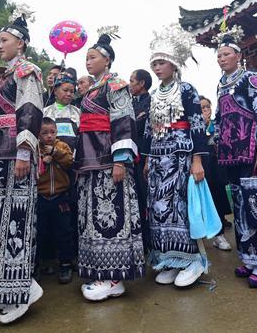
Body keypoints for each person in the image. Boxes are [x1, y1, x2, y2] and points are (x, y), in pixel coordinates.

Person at [0, 6, 45, 324]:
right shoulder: (5, 77)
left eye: (4, 40)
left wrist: (25, 154)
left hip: (16, 156)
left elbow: (29, 111)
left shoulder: (28, 71)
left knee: (14, 222)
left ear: (21, 43)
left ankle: (21, 291)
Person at [74, 26, 145, 301]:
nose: (88, 61)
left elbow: (124, 122)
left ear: (107, 61)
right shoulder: (92, 89)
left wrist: (120, 161)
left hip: (108, 160)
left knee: (112, 214)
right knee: (93, 217)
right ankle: (100, 271)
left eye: (93, 57)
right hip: (90, 161)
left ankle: (114, 277)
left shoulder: (115, 85)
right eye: (87, 57)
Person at [143, 24, 211, 288]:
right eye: (154, 64)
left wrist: (197, 160)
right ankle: (170, 259)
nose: (157, 68)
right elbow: (149, 129)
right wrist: (148, 159)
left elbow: (197, 125)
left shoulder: (187, 90)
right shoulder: (152, 94)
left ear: (173, 64)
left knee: (181, 206)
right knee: (159, 209)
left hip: (181, 156)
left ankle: (192, 260)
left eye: (161, 63)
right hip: (158, 158)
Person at [211, 25, 257, 288]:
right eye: (218, 56)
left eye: (226, 54)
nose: (221, 59)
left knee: (253, 205)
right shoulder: (221, 84)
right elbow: (218, 117)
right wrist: (216, 139)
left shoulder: (251, 78)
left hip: (250, 150)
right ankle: (248, 257)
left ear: (238, 56)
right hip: (229, 154)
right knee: (238, 206)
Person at [36, 117, 75, 284]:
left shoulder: (61, 146)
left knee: (64, 231)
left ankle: (66, 264)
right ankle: (38, 265)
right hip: (41, 197)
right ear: (38, 134)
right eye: (44, 133)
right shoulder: (34, 148)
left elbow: (69, 161)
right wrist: (41, 160)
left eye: (52, 132)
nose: (49, 136)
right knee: (39, 233)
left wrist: (54, 152)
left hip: (60, 196)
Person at [200, 95, 232, 251]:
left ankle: (219, 236)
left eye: (207, 107)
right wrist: (202, 126)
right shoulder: (194, 127)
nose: (206, 110)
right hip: (199, 169)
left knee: (217, 199)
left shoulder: (216, 125)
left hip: (215, 168)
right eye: (202, 108)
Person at [130, 68, 153, 249]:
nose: (130, 84)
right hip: (130, 157)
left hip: (145, 157)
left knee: (146, 198)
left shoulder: (151, 102)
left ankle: (148, 240)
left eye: (132, 81)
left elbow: (141, 127)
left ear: (141, 83)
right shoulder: (129, 102)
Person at [44, 71, 81, 153]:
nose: (69, 94)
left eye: (72, 91)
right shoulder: (45, 112)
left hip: (73, 158)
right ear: (55, 91)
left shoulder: (78, 113)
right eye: (65, 90)